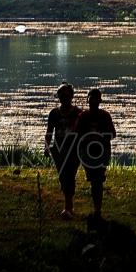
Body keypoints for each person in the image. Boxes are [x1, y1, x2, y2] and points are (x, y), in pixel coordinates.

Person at [75, 88, 116, 220]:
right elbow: (77, 133)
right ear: (87, 100)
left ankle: (97, 209)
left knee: (97, 180)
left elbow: (113, 134)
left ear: (100, 101)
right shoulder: (83, 116)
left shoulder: (105, 116)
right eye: (91, 98)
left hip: (101, 153)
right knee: (94, 180)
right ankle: (97, 209)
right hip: (87, 153)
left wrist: (99, 137)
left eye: (95, 98)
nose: (93, 101)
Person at [45, 82, 83, 220]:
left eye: (66, 94)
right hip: (59, 150)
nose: (63, 97)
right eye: (61, 94)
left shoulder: (78, 113)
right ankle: (68, 206)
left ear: (72, 96)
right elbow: (49, 131)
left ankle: (68, 207)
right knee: (62, 177)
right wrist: (47, 147)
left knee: (70, 175)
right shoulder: (54, 113)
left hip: (74, 150)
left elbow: (82, 132)